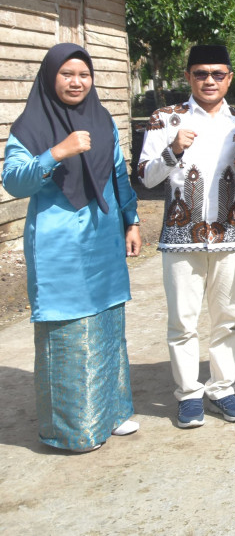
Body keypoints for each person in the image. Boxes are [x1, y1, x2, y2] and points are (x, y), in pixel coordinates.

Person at [2, 43, 142, 452]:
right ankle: (71, 430)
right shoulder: (29, 126)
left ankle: (112, 413)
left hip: (102, 236)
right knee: (68, 328)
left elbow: (117, 174)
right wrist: (56, 153)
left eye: (84, 73)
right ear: (50, 77)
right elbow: (14, 181)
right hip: (58, 241)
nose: (77, 81)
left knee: (106, 323)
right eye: (67, 74)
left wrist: (131, 220)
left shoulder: (102, 120)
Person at [137, 44, 235, 429]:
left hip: (229, 236)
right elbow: (145, 177)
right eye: (201, 74)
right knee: (183, 321)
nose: (210, 80)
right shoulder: (165, 118)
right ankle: (189, 394)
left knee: (228, 318)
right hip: (180, 236)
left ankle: (222, 389)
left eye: (218, 74)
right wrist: (173, 151)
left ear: (229, 78)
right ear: (188, 76)